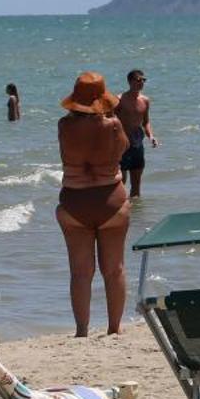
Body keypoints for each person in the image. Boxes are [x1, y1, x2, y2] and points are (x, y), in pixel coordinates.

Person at [55, 72, 131, 336]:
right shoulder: (113, 126)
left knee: (80, 272)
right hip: (111, 198)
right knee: (114, 269)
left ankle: (81, 330)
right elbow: (122, 150)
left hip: (74, 200)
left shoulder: (63, 126)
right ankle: (114, 328)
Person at [116, 69, 156, 200]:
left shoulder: (145, 100)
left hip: (137, 143)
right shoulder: (119, 99)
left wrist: (151, 136)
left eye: (143, 80)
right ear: (130, 81)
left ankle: (136, 216)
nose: (141, 83)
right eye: (138, 80)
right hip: (121, 144)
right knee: (121, 181)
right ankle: (120, 209)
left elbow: (146, 122)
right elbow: (110, 120)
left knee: (136, 184)